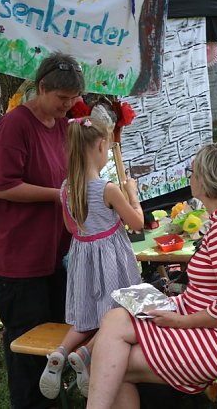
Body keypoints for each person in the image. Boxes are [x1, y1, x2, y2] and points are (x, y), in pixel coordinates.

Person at [84, 143, 217, 409]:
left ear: (202, 182)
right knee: (114, 320)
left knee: (112, 366)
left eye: (192, 172)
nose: (190, 178)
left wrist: (180, 321)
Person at [0, 52, 84, 409]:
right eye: (61, 99)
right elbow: (1, 186)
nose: (67, 106)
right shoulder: (13, 127)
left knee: (54, 336)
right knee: (27, 342)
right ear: (41, 88)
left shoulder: (65, 127)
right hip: (17, 258)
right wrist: (60, 196)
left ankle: (52, 399)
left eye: (73, 100)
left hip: (53, 253)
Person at [38, 116, 146, 399]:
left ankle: (61, 352)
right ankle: (86, 353)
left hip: (83, 257)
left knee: (86, 318)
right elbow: (137, 223)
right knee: (117, 316)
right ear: (101, 146)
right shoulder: (108, 189)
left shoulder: (65, 189)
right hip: (112, 260)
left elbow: (71, 228)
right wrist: (132, 194)